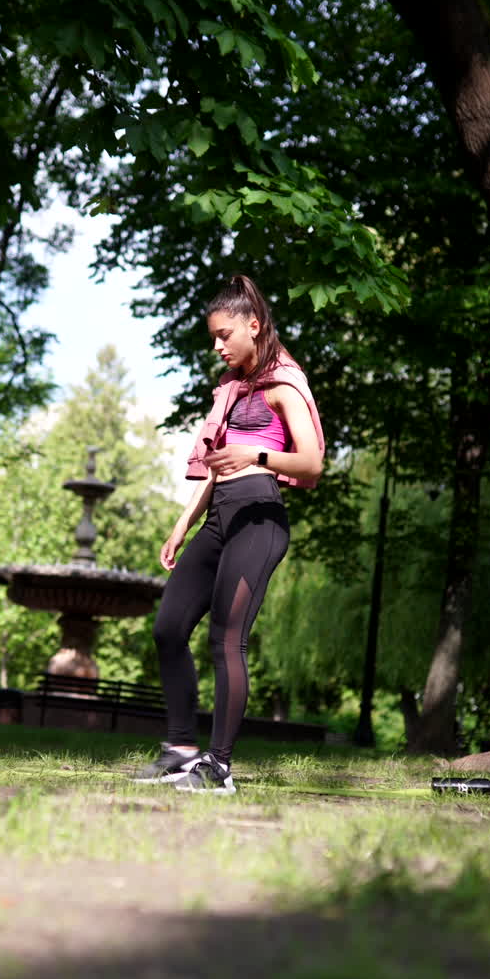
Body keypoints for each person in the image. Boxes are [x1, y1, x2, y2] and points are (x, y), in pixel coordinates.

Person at [135, 274, 324, 794]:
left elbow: (311, 464)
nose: (217, 346)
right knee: (168, 627)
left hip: (259, 518)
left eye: (224, 335)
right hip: (219, 516)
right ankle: (180, 749)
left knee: (227, 641)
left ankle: (219, 767)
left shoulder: (283, 387)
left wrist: (255, 454)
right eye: (213, 337)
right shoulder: (231, 390)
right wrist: (181, 525)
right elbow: (215, 467)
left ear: (253, 326)